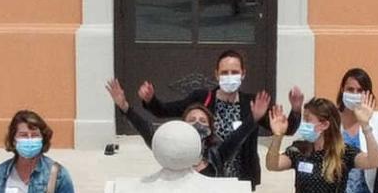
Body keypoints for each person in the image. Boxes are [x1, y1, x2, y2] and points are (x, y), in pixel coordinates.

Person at [139, 49, 278, 186]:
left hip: (240, 181)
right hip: (208, 177)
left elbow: (282, 127)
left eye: (234, 72)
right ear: (216, 74)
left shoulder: (253, 104)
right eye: (224, 72)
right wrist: (150, 100)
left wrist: (295, 111)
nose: (229, 76)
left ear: (243, 74)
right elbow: (163, 111)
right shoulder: (202, 98)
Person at [107, 77, 268, 179]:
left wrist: (254, 118)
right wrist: (124, 107)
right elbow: (146, 129)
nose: (197, 123)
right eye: (192, 120)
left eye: (203, 120)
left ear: (211, 129)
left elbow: (237, 137)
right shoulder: (169, 147)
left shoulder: (217, 153)